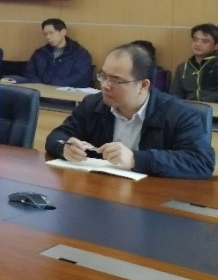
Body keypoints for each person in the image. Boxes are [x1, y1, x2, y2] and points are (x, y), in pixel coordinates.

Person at [46, 44, 215, 179]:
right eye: (103, 76)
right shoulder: (93, 104)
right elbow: (57, 136)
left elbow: (201, 162)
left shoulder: (178, 114)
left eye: (116, 80)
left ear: (143, 85)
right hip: (100, 192)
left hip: (152, 199)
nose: (105, 85)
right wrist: (64, 148)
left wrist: (135, 159)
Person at [17, 18, 92, 87]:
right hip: (40, 92)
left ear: (63, 32)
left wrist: (53, 85)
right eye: (45, 34)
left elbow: (81, 77)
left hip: (65, 94)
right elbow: (29, 73)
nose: (48, 37)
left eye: (51, 33)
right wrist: (40, 85)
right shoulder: (40, 53)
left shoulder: (79, 54)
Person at [170, 23, 218, 102]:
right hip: (189, 107)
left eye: (205, 41)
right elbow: (175, 95)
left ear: (216, 46)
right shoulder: (183, 67)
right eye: (195, 40)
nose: (198, 44)